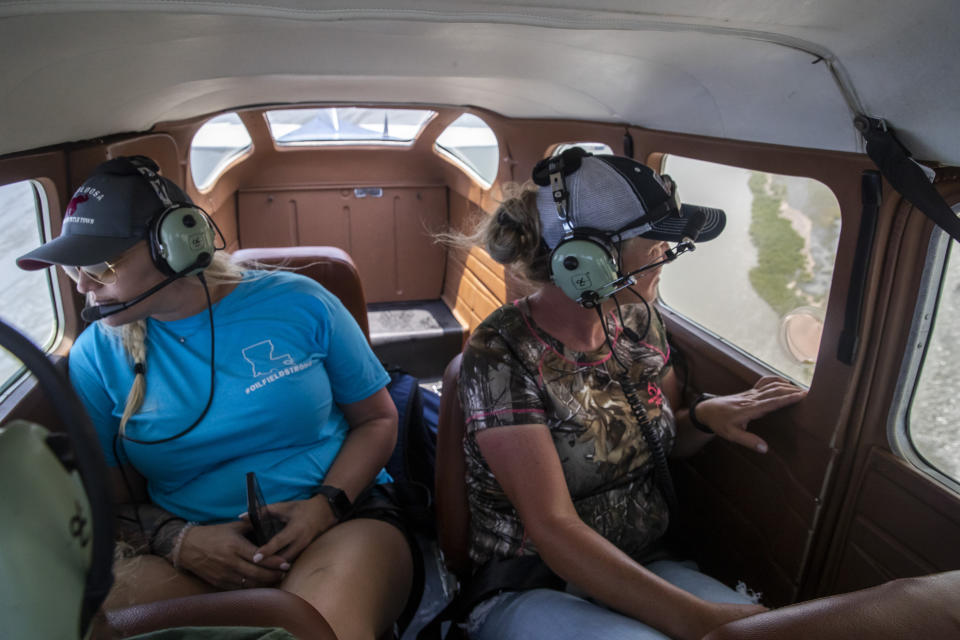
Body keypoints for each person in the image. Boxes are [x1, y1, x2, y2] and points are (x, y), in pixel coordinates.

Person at [16, 156, 415, 640]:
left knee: (318, 630)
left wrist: (323, 507)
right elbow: (111, 497)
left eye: (101, 266)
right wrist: (179, 541)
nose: (82, 285)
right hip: (191, 550)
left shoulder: (300, 302)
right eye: (74, 268)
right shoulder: (96, 354)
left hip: (340, 518)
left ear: (177, 247)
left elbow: (376, 420)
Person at [456, 149, 807, 640]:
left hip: (643, 563)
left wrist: (703, 418)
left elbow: (649, 443)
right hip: (533, 582)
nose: (667, 253)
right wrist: (699, 621)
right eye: (656, 241)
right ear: (586, 260)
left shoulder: (639, 320)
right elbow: (552, 527)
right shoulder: (500, 350)